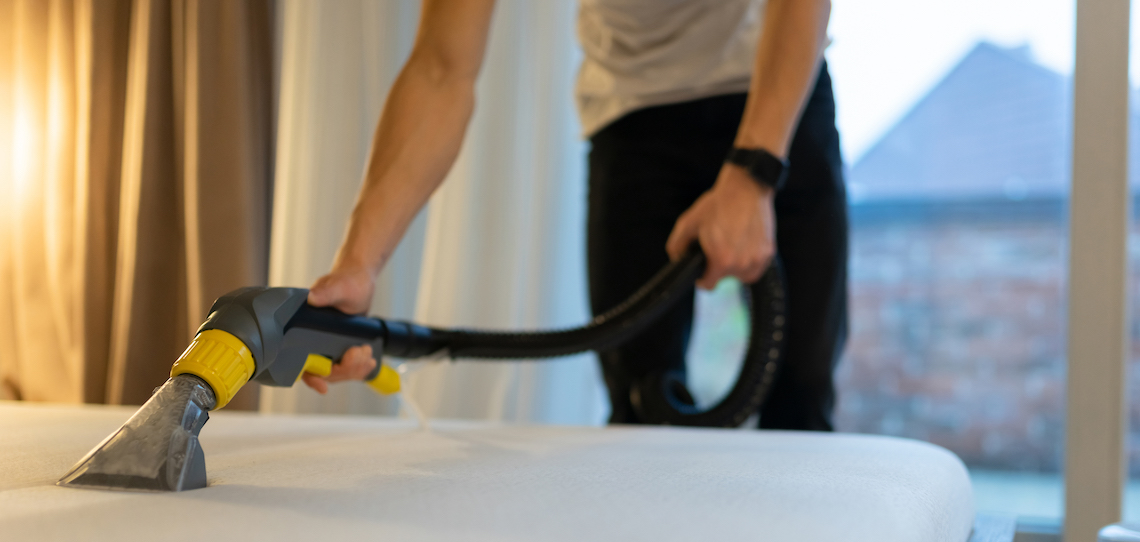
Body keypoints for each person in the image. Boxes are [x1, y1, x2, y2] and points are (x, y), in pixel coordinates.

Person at [303, 0, 848, 431]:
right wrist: (358, 266)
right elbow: (442, 69)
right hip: (635, 115)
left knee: (800, 390)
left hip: (778, 92)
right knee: (640, 402)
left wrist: (753, 173)